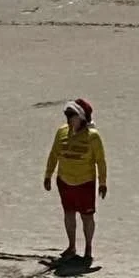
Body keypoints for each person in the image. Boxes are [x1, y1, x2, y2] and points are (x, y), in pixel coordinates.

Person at [43, 98, 109, 265]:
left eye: (72, 115)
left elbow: (100, 161)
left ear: (81, 117)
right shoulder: (61, 132)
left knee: (87, 217)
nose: (69, 118)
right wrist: (48, 175)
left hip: (85, 182)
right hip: (64, 181)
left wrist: (102, 182)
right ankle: (71, 246)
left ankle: (88, 249)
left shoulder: (93, 136)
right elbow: (54, 154)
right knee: (69, 214)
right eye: (67, 115)